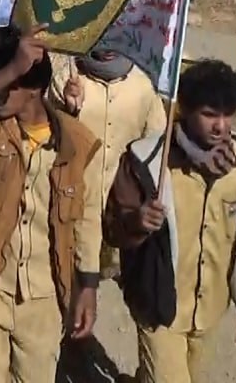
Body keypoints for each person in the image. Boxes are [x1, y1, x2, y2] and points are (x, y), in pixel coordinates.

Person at [0, 24, 103, 381]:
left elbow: (87, 222)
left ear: (33, 90)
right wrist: (12, 68)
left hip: (43, 297)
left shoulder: (76, 144)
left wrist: (88, 287)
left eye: (8, 85)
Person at [105, 60, 236, 383]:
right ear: (185, 110)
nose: (220, 126)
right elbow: (112, 227)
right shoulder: (147, 160)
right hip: (160, 310)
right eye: (209, 114)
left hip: (209, 311)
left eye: (228, 114)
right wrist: (137, 221)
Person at [49, 45, 166, 278]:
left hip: (123, 211)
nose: (108, 47)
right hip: (75, 203)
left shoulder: (144, 86)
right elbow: (50, 138)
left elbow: (154, 148)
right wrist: (69, 110)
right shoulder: (67, 79)